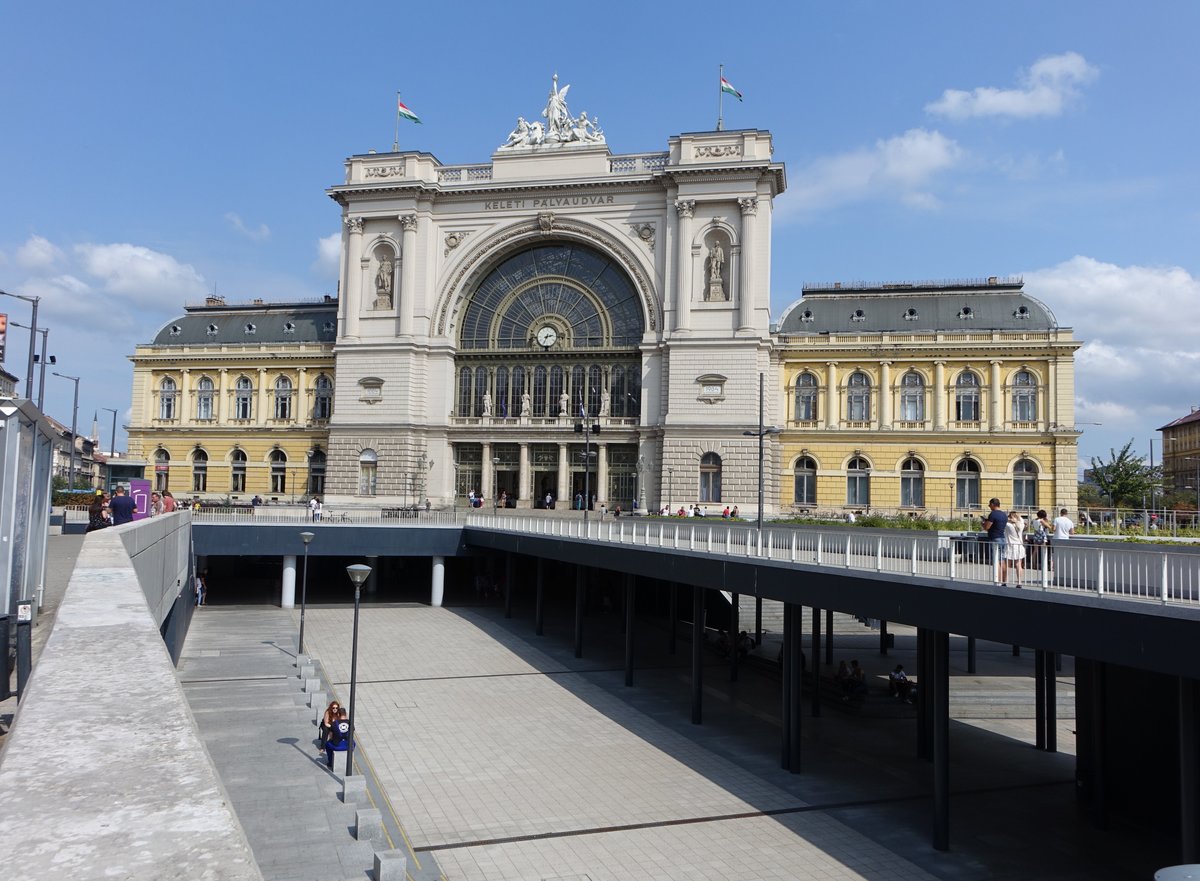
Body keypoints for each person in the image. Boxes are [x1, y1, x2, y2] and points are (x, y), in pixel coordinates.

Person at [981, 498, 1009, 584]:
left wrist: (983, 523)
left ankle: (998, 581)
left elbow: (987, 527)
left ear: (993, 504)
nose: (989, 506)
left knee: (996, 561)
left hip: (995, 538)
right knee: (1002, 560)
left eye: (990, 505)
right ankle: (1004, 581)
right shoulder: (1004, 514)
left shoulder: (993, 514)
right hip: (1002, 538)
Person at [1004, 511, 1026, 586]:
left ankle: (1005, 581)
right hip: (1019, 546)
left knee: (1008, 565)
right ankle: (1019, 582)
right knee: (1018, 565)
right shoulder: (1021, 524)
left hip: (1010, 546)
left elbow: (1003, 520)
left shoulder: (1008, 525)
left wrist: (1009, 519)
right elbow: (1021, 520)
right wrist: (1017, 519)